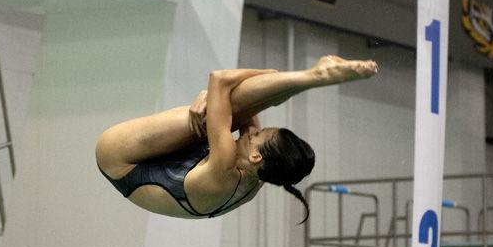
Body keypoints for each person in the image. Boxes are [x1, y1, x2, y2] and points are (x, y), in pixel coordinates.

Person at [96, 55, 378, 220]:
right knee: (236, 105)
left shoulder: (224, 169)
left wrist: (269, 75)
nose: (253, 130)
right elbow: (244, 110)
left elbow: (219, 79)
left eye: (258, 135)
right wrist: (214, 99)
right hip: (173, 164)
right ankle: (307, 78)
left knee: (225, 105)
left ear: (255, 156)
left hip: (121, 161)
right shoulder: (257, 175)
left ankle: (313, 76)